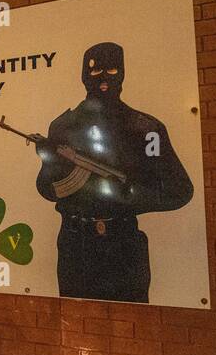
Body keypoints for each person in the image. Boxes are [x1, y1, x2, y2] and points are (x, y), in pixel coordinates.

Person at [34, 43, 193, 303]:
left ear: (123, 72)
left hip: (124, 243)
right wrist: (53, 163)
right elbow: (46, 188)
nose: (104, 79)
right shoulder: (63, 125)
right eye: (96, 72)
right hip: (75, 244)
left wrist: (128, 195)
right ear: (84, 74)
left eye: (112, 69)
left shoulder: (144, 127)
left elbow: (180, 190)